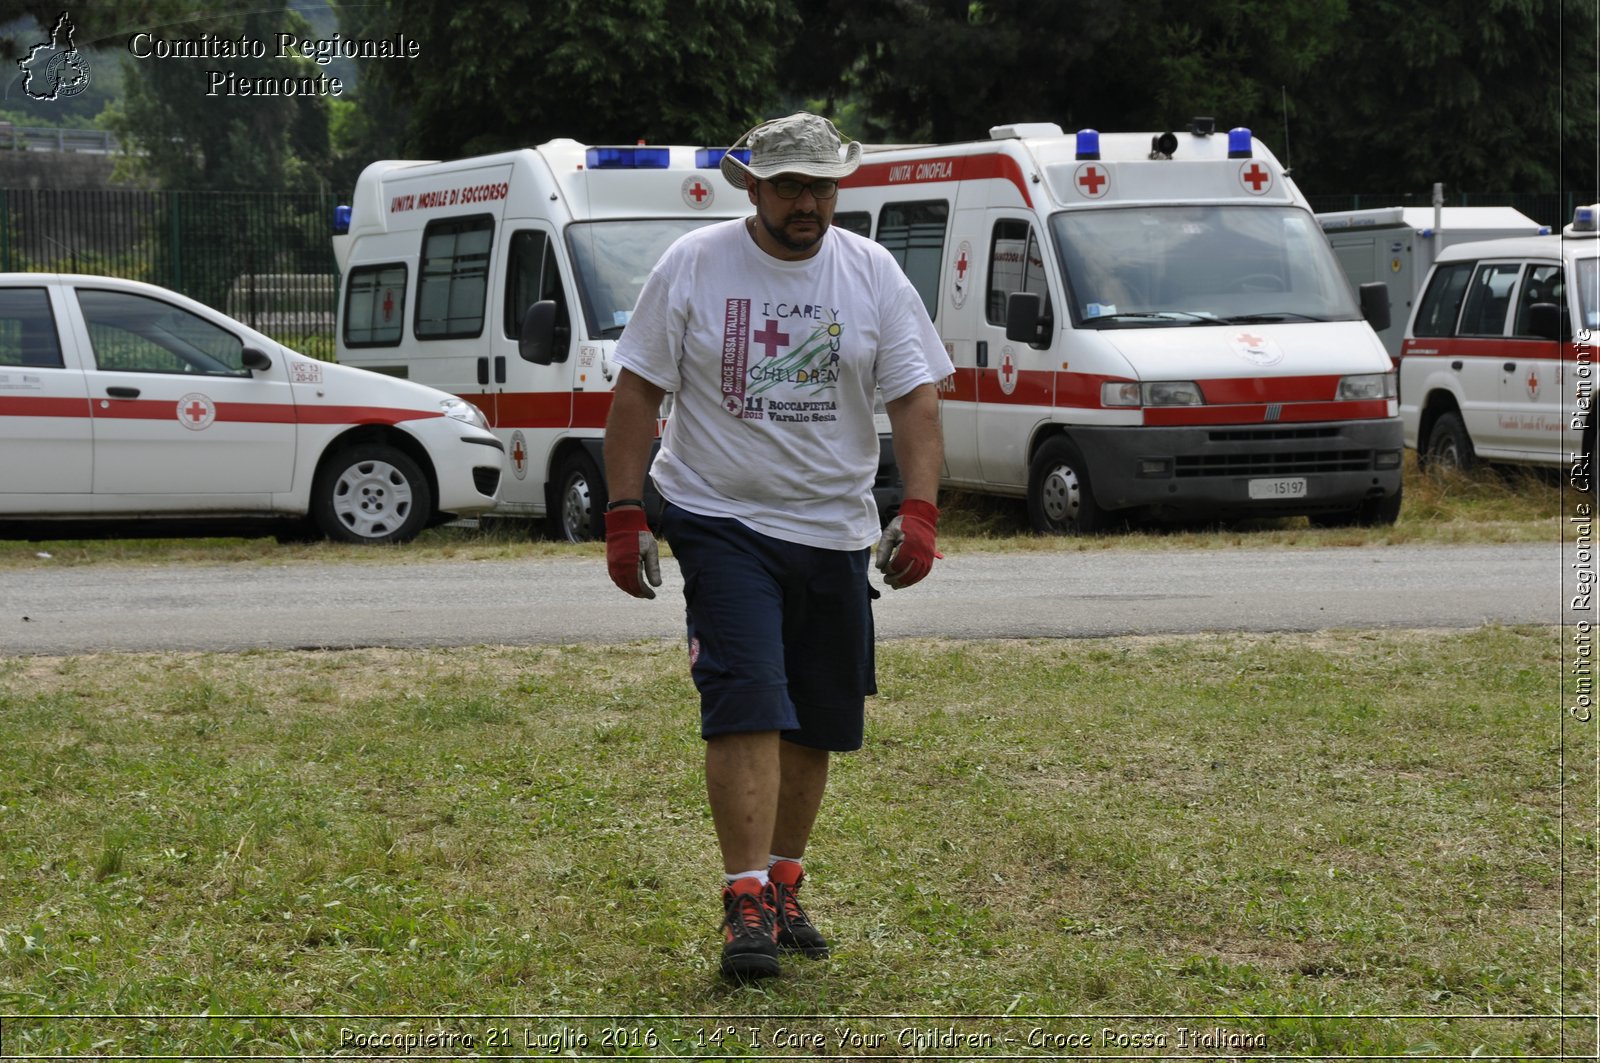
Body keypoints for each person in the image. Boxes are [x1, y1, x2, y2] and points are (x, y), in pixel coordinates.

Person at [601, 111, 954, 980]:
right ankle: (744, 897)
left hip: (832, 526)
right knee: (749, 697)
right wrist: (623, 511)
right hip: (719, 519)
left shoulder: (869, 271)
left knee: (820, 718)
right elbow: (637, 395)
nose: (808, 202)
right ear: (751, 186)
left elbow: (914, 399)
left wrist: (919, 511)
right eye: (791, 185)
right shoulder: (694, 265)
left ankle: (786, 880)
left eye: (822, 186)